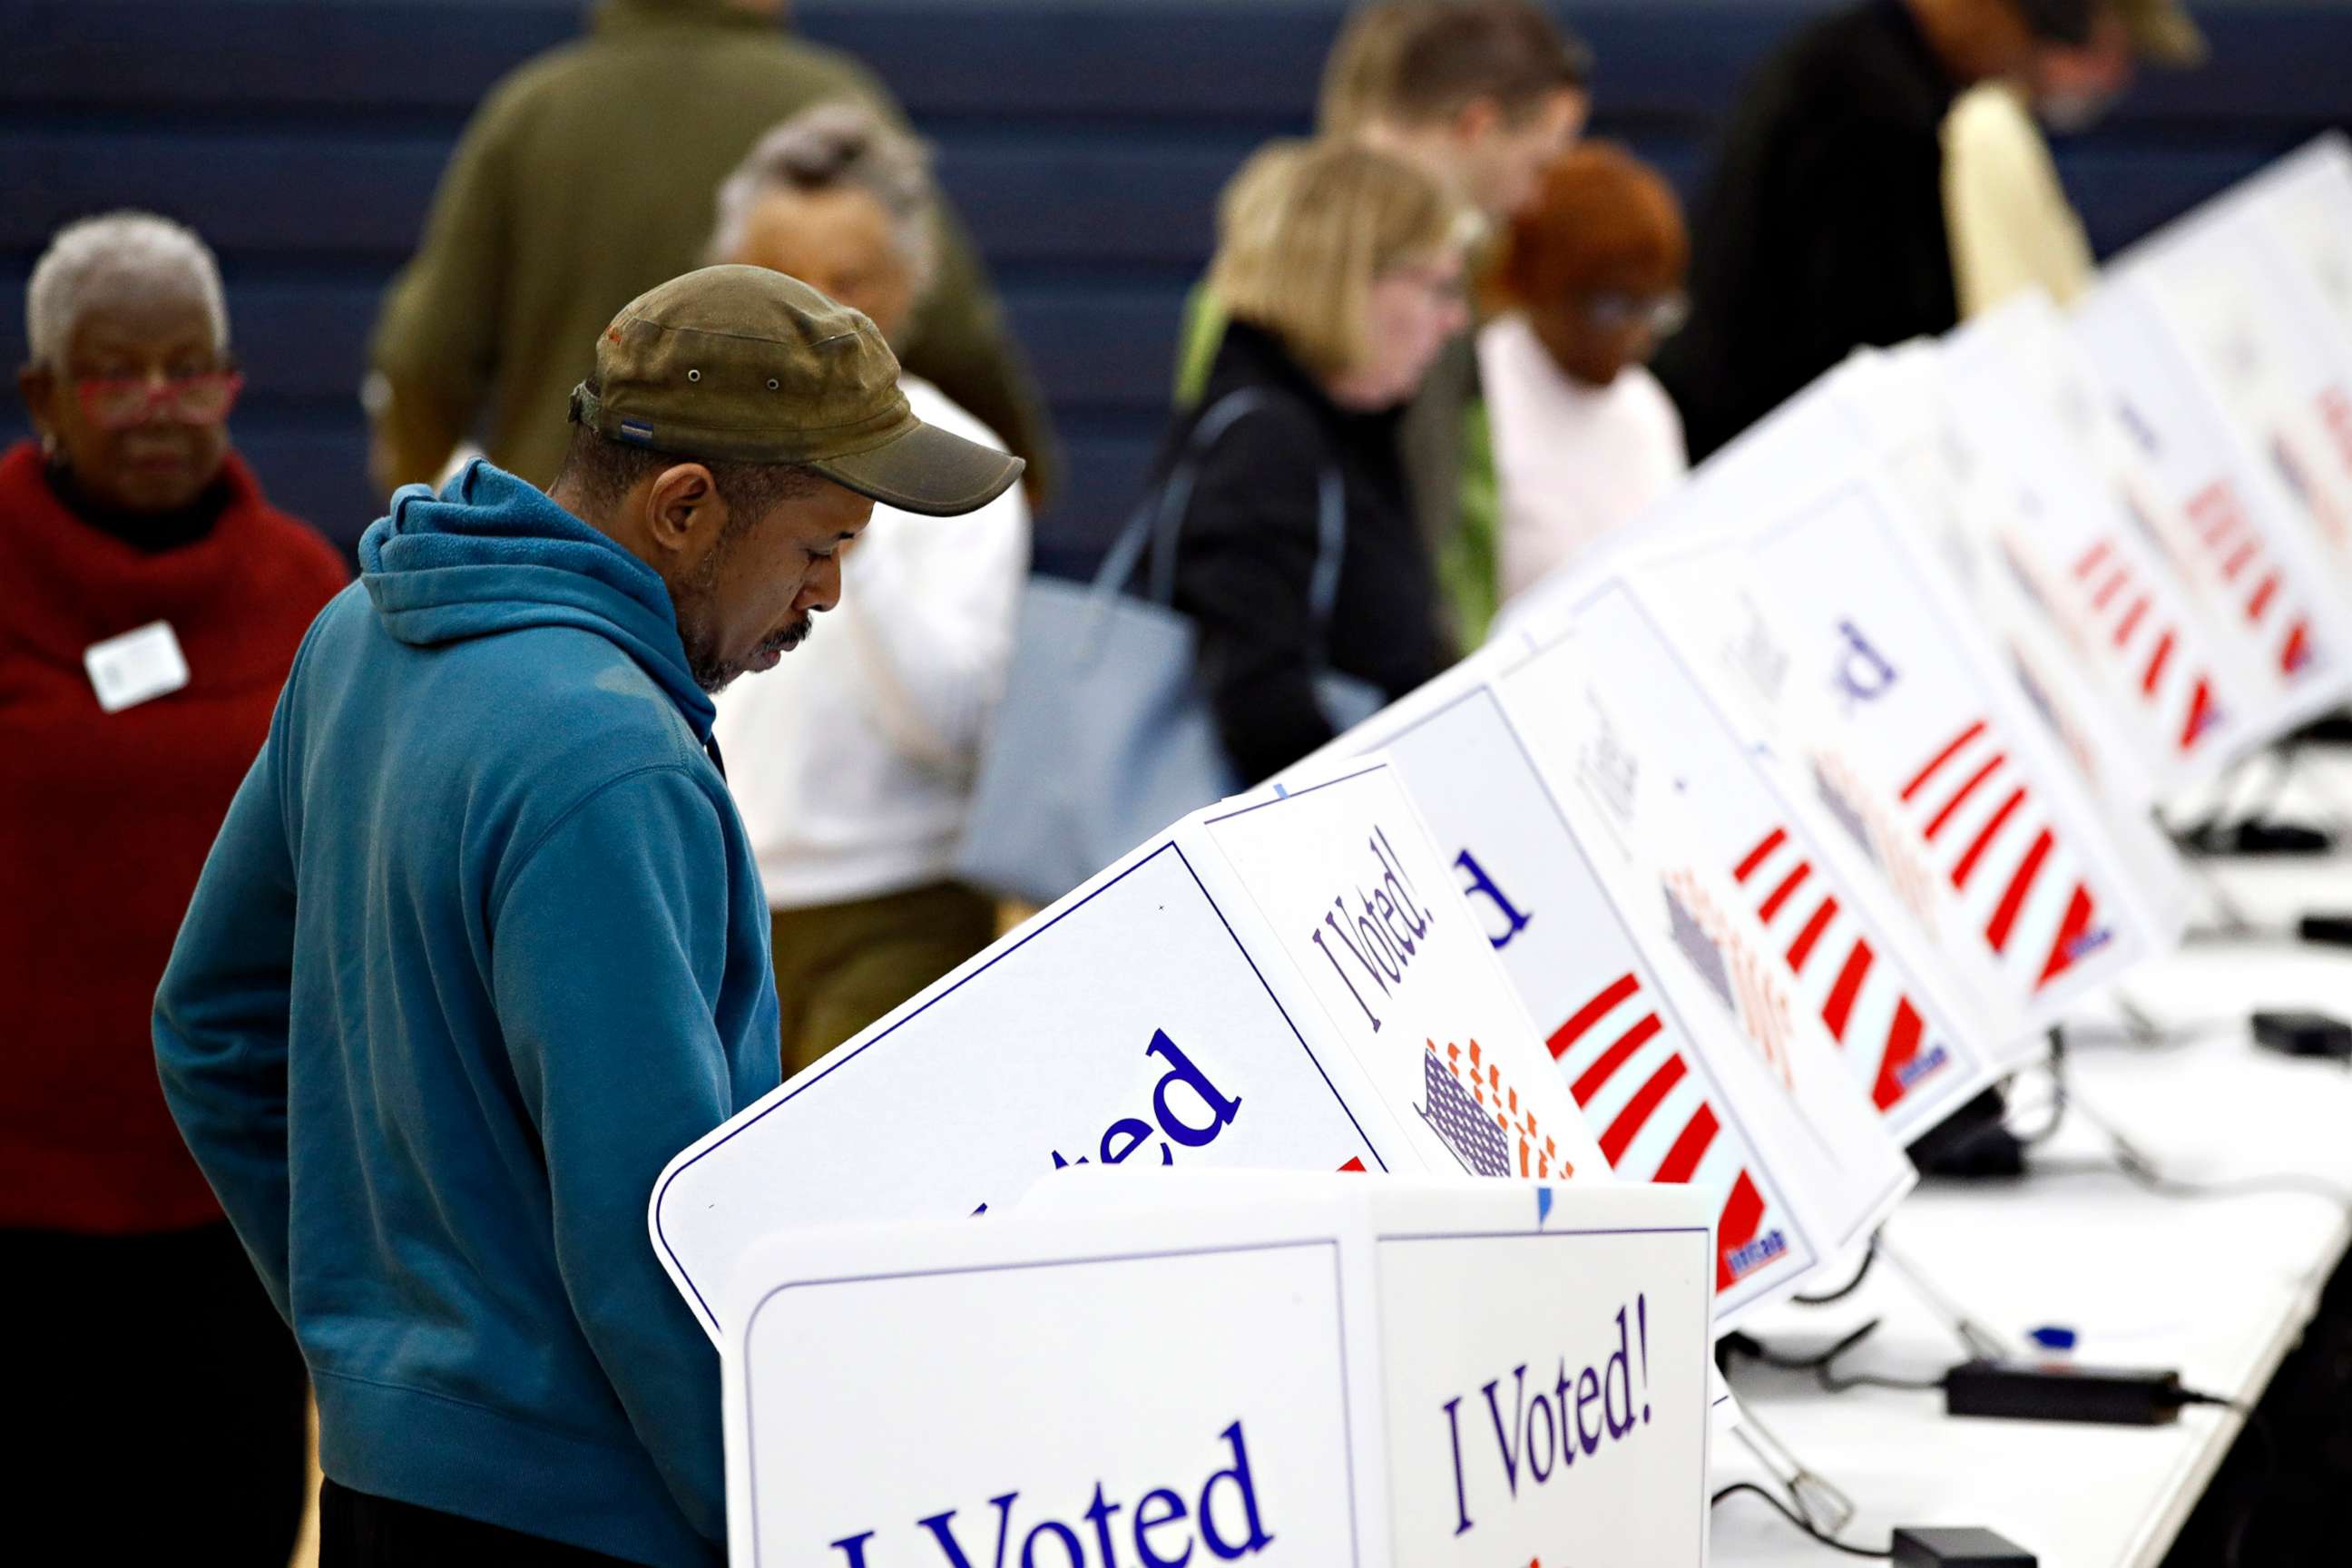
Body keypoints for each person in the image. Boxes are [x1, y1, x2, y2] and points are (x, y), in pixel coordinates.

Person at [156, 267, 1023, 1566]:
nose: (830, 596)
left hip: (394, 1485)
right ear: (685, 508)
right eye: (821, 547)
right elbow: (648, 1236)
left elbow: (206, 1027)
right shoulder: (612, 762)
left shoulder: (354, 640)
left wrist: (380, 1340)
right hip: (597, 1510)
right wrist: (778, 1527)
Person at [2, 212, 345, 1563]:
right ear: (43, 396)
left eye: (189, 369)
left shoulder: (305, 590)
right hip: (20, 1205)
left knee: (232, 1517)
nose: (158, 404)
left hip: (239, 1200)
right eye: (114, 373)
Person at [366, 0, 1057, 506]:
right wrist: (1014, 487)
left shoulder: (531, 113)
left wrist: (421, 495)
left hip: (560, 538)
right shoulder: (829, 102)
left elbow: (424, 356)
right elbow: (958, 337)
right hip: (780, 541)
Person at [706, 104, 1030, 1073]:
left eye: (848, 284)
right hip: (711, 902)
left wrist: (860, 516)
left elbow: (952, 724)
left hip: (899, 914)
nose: (812, 317)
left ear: (909, 285)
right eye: (783, 282)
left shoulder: (957, 466)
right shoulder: (678, 459)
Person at [1176, 0, 1591, 648]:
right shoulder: (1288, 290)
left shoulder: (1439, 274)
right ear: (1476, 124)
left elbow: (1458, 517)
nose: (1532, 199)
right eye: (1536, 164)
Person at [1656, 0, 2103, 462]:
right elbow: (1884, 348)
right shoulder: (1875, 107)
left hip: (1756, 424)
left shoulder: (1867, 63)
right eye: (2024, 41)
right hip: (1761, 444)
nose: (2019, 68)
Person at [1160, 141, 1467, 785]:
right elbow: (1260, 702)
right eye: (1437, 286)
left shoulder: (1342, 430)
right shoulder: (1270, 443)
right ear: (1350, 282)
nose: (1454, 320)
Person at [1481, 143, 1691, 604]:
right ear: (1540, 284)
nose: (1637, 335)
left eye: (1652, 308)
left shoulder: (1645, 410)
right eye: (1614, 307)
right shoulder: (1480, 393)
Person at [1944, 0, 2206, 317]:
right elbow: (2011, 325)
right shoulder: (1987, 130)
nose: (2120, 80)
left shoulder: (2008, 130)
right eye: (2120, 52)